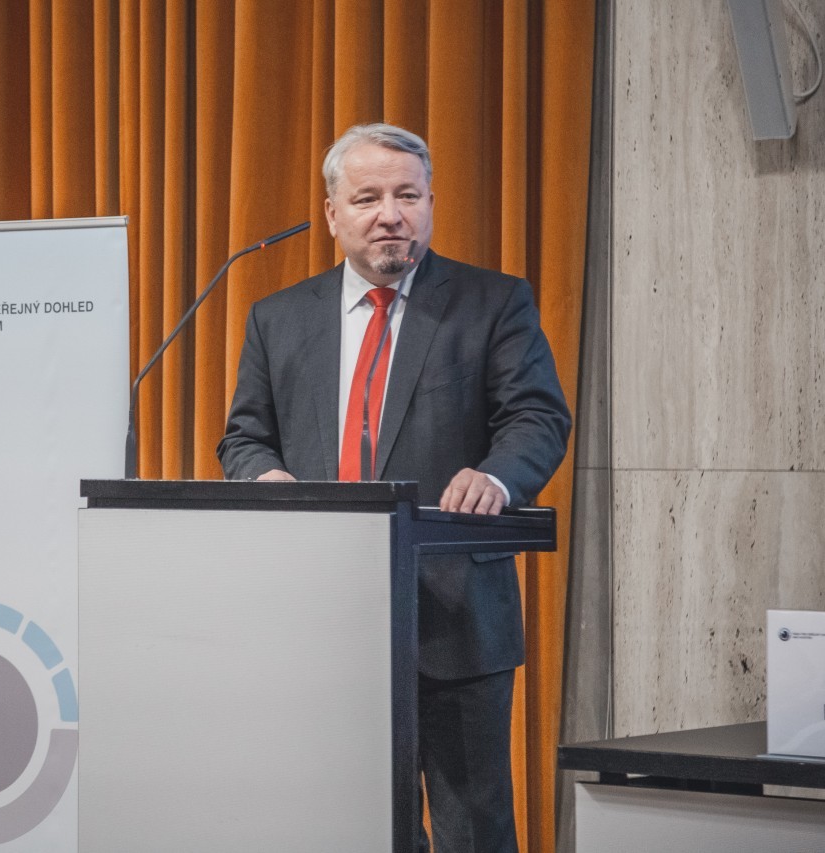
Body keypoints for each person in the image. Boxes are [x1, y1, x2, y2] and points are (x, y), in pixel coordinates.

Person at [217, 123, 571, 853]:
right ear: (332, 214)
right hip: (323, 616)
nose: (391, 214)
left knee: (473, 828)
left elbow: (537, 417)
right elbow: (244, 436)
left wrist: (496, 474)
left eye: (408, 196)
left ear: (430, 203)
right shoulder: (278, 318)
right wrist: (265, 477)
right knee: (350, 825)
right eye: (368, 198)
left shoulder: (492, 302)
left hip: (455, 612)